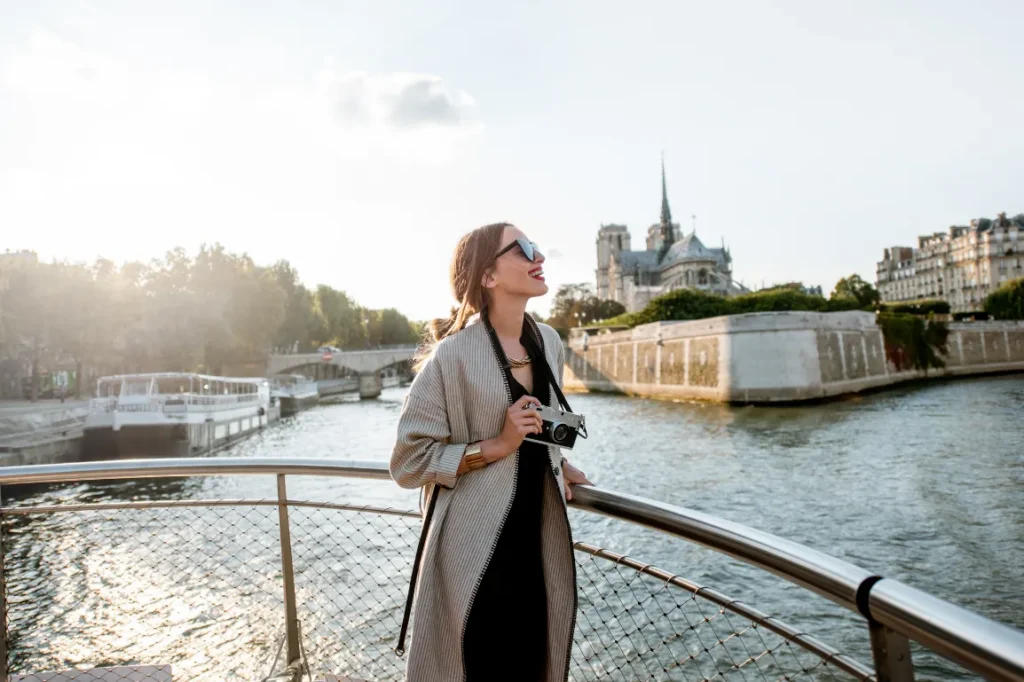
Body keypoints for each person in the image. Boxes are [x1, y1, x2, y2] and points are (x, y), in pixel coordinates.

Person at [390, 222, 592, 682]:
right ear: (488, 277)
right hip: (473, 550)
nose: (537, 256)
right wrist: (495, 446)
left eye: (537, 246)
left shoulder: (548, 342)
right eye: (522, 249)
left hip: (538, 544)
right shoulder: (452, 356)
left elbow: (539, 424)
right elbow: (407, 461)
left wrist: (559, 463)